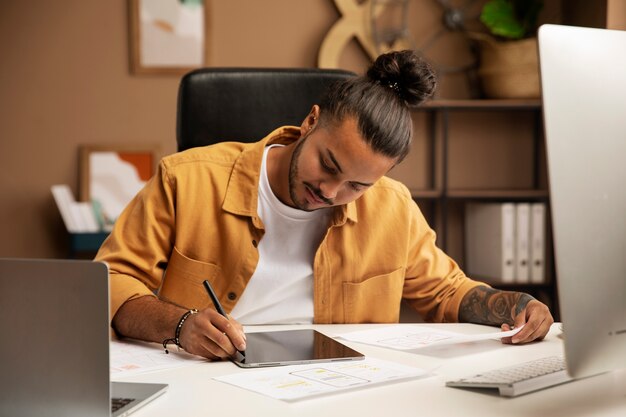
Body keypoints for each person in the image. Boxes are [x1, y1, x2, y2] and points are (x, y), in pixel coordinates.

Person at [95, 50, 553, 360]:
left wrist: (518, 305)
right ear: (310, 122)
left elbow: (448, 292)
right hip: (211, 378)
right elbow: (111, 282)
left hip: (333, 389)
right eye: (328, 165)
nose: (332, 192)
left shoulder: (392, 207)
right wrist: (181, 324)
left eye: (357, 184)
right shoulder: (187, 179)